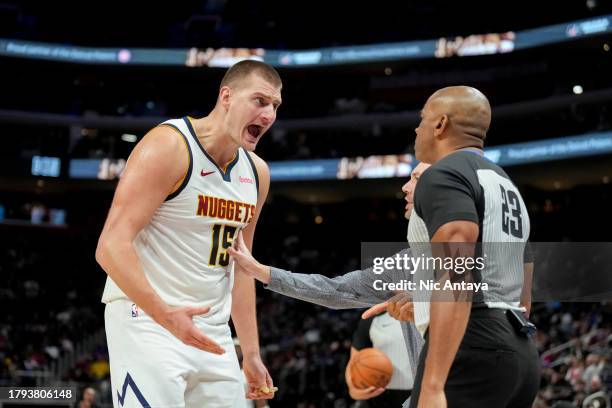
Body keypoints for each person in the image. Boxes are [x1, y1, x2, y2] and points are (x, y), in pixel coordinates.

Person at [95, 60, 282, 408]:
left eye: (275, 106)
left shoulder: (257, 173)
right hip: (147, 320)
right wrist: (165, 315)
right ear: (226, 97)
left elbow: (244, 267)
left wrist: (252, 353)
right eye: (260, 101)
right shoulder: (170, 146)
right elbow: (110, 246)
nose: (269, 114)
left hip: (212, 333)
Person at [368, 86, 540, 408]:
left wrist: (434, 382)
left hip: (472, 347)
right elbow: (524, 296)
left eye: (421, 119)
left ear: (440, 124)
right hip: (521, 352)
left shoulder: (444, 174)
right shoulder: (506, 184)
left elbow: (458, 276)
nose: (417, 129)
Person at [346, 310, 413, 407]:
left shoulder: (431, 315)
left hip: (422, 393)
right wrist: (353, 389)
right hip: (380, 396)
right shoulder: (372, 317)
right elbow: (355, 361)